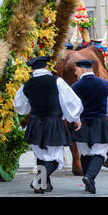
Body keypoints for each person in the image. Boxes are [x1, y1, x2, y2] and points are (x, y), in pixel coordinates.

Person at [13, 56, 83, 194]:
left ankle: (44, 184)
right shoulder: (57, 81)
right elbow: (70, 101)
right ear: (46, 67)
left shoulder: (27, 84)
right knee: (56, 160)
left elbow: (19, 106)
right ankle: (38, 182)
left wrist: (28, 109)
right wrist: (75, 118)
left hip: (35, 123)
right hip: (53, 123)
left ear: (32, 69)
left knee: (41, 156)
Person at [71, 59, 108, 194]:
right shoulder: (104, 84)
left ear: (83, 69)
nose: (75, 72)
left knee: (84, 153)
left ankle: (88, 182)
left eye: (76, 69)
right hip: (99, 123)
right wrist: (105, 114)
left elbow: (71, 106)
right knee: (99, 153)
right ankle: (89, 177)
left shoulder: (75, 86)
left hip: (82, 123)